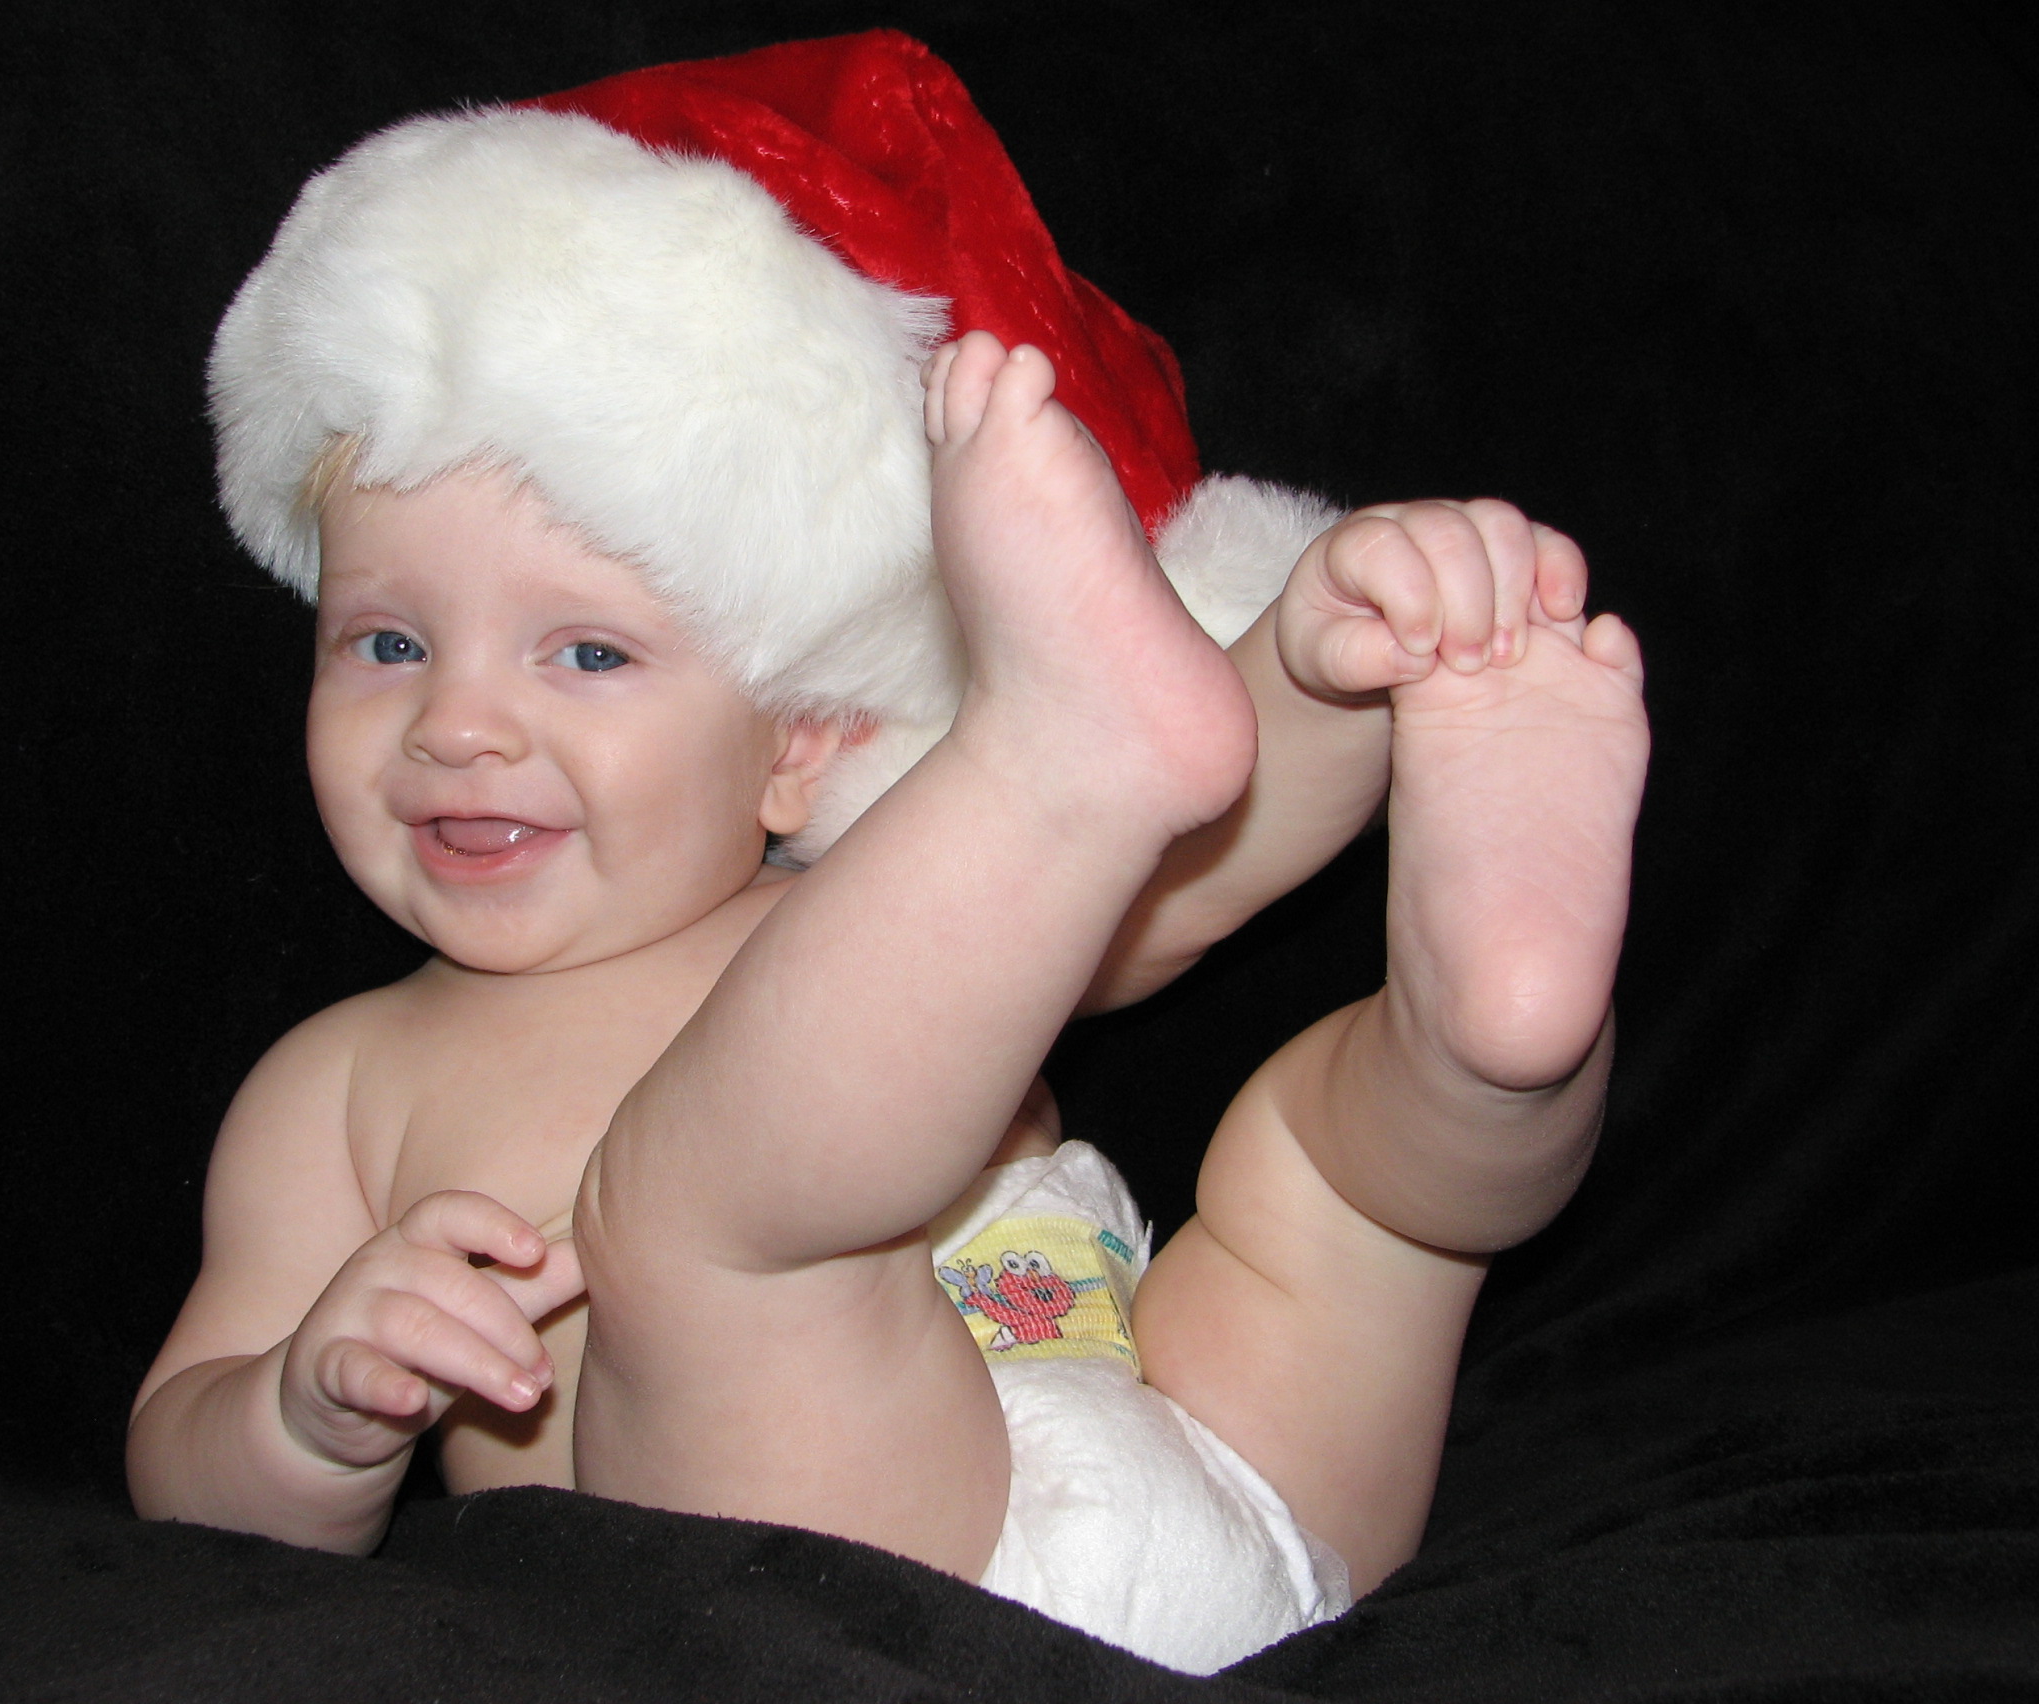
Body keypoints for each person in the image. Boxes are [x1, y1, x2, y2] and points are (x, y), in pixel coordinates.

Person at [128, 33, 1648, 1673]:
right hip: (835, 1571)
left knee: (1323, 1176)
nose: (458, 725)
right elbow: (182, 1476)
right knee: (710, 1235)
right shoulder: (338, 1085)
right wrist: (302, 1419)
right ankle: (1408, 1006)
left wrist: (1315, 674)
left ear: (803, 740)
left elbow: (1187, 880)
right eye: (386, 645)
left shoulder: (888, 904)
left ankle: (1483, 1043)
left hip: (1197, 1459)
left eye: (587, 654)